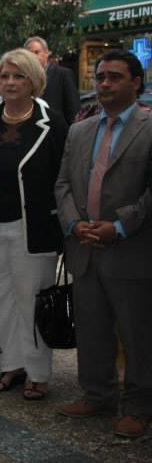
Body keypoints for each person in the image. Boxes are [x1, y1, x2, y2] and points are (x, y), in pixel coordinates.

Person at [0, 48, 68, 401]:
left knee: (32, 301)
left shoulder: (53, 125)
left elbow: (64, 179)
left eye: (19, 76)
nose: (10, 82)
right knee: (0, 300)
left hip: (34, 230)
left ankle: (38, 373)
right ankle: (12, 363)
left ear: (34, 81)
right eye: (5, 75)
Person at [55, 49, 152, 439]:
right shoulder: (80, 130)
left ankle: (140, 406)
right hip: (85, 248)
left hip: (130, 249)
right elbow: (62, 183)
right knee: (92, 328)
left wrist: (120, 226)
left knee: (137, 332)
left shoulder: (148, 128)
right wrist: (73, 223)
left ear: (136, 83)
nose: (105, 84)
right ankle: (97, 394)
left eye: (114, 77)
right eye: (100, 77)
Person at [25, 36, 80, 125]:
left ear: (47, 53)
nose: (32, 57)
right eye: (29, 53)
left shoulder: (63, 75)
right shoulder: (23, 78)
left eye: (36, 52)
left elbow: (73, 111)